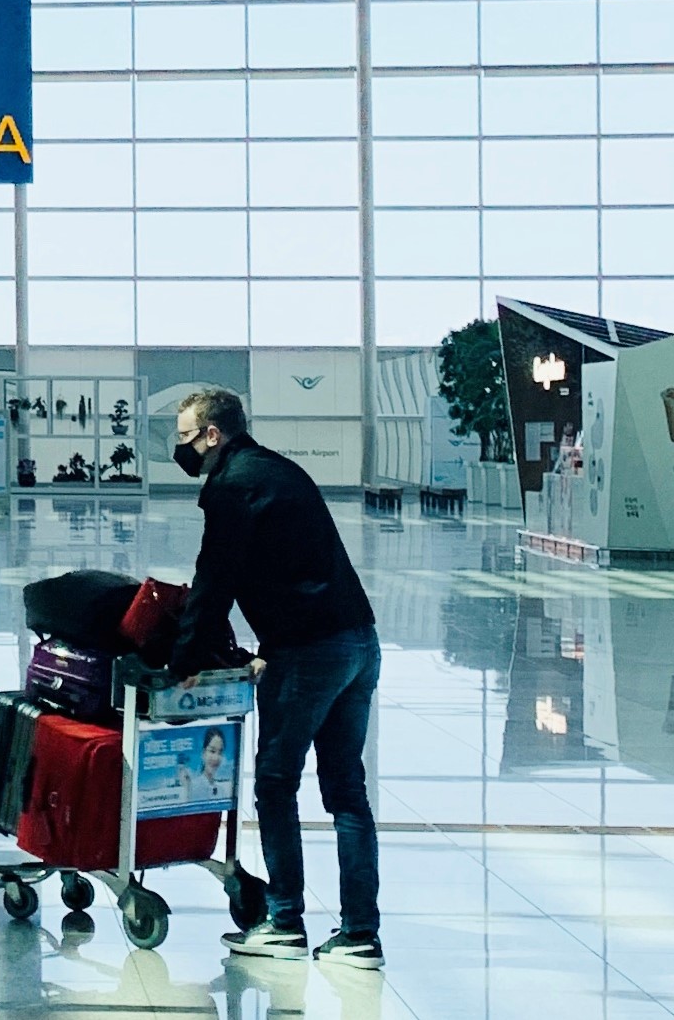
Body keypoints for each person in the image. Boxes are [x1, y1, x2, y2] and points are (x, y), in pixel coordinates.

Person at [167, 387, 381, 971]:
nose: (182, 449)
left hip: (310, 653)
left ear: (214, 434)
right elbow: (294, 568)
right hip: (359, 641)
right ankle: (360, 935)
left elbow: (215, 578)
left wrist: (182, 664)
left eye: (186, 437)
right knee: (346, 792)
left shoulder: (232, 485)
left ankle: (285, 919)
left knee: (276, 781)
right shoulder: (280, 470)